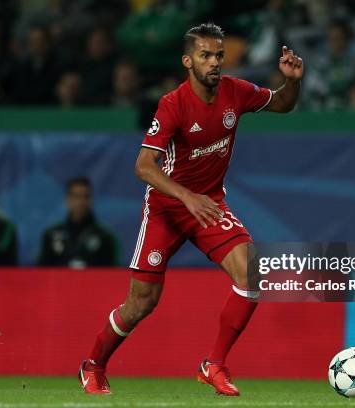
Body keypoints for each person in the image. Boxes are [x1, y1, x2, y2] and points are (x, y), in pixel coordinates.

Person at [78, 22, 303, 396]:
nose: (214, 62)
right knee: (141, 303)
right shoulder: (172, 104)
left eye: (218, 55)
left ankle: (213, 364)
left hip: (209, 204)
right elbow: (144, 166)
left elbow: (282, 103)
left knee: (251, 274)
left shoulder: (236, 92)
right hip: (168, 208)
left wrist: (292, 81)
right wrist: (186, 196)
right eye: (205, 56)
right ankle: (94, 364)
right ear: (188, 61)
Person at [38, 177, 118, 267]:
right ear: (67, 200)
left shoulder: (105, 236)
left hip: (93, 281)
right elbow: (41, 272)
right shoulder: (51, 235)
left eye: (85, 196)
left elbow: (111, 274)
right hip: (59, 281)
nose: (81, 202)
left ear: (91, 200)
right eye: (76, 196)